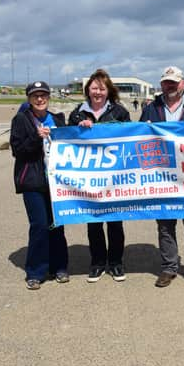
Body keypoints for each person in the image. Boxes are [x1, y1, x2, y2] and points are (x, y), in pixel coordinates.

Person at [139, 66, 184, 288]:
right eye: (165, 82)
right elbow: (138, 138)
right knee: (165, 224)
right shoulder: (151, 109)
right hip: (162, 176)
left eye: (174, 82)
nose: (169, 85)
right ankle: (169, 267)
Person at [68, 69, 131, 283]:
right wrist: (78, 128)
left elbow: (130, 138)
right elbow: (66, 141)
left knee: (115, 222)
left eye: (102, 88)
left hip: (113, 178)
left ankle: (115, 263)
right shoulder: (77, 113)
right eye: (94, 88)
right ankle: (97, 263)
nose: (98, 92)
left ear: (108, 91)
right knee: (93, 222)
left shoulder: (120, 112)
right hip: (88, 179)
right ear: (88, 90)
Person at [10, 81, 69, 290]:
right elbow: (18, 150)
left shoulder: (58, 119)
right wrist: (37, 137)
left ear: (48, 97)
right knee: (39, 226)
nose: (40, 99)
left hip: (57, 182)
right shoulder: (21, 120)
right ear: (29, 99)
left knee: (57, 225)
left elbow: (72, 142)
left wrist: (83, 128)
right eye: (35, 96)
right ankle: (35, 271)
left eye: (43, 95)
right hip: (33, 182)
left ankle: (59, 267)